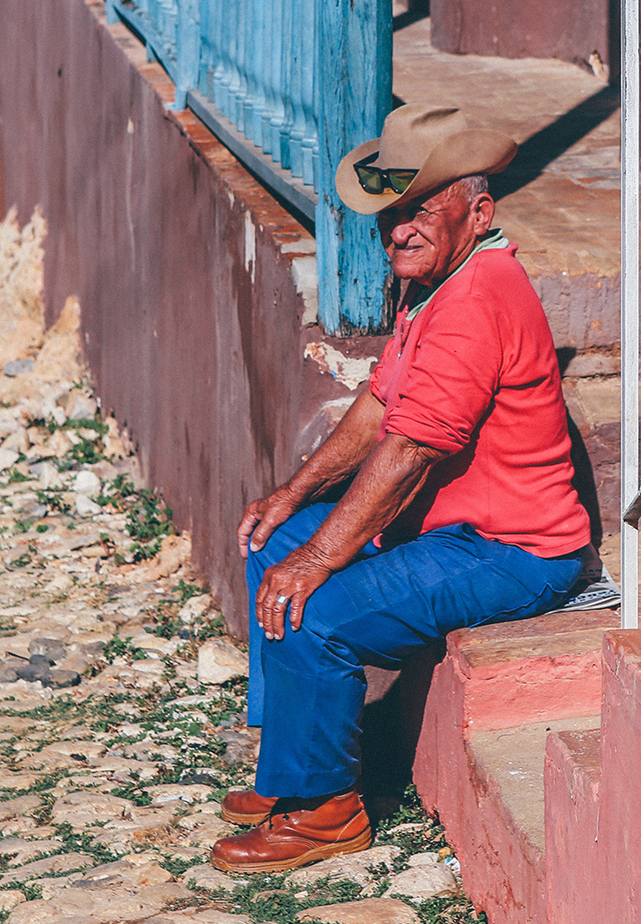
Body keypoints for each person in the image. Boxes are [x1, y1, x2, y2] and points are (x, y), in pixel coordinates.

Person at [210, 106, 595, 876]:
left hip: (510, 550)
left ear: (477, 212)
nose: (399, 230)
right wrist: (294, 497)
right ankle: (289, 758)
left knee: (312, 608)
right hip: (451, 530)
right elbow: (382, 404)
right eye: (392, 213)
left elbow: (413, 449)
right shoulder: (432, 287)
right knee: (269, 546)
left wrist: (323, 555)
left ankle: (326, 809)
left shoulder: (478, 299)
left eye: (420, 208)